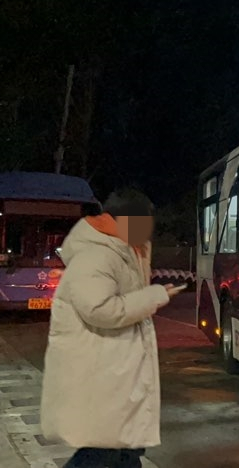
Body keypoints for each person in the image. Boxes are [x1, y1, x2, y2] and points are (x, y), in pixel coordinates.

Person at [40, 188, 180, 468]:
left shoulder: (124, 249)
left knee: (125, 450)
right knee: (103, 452)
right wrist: (153, 296)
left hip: (118, 371)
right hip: (102, 373)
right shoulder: (98, 255)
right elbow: (101, 309)